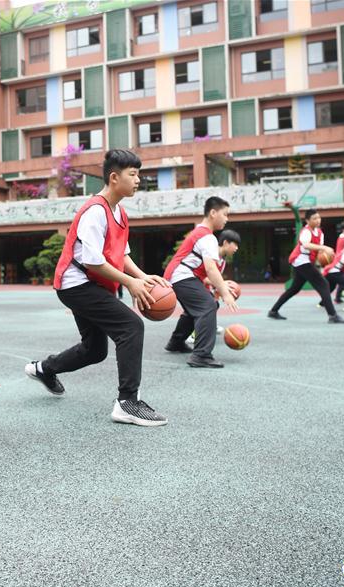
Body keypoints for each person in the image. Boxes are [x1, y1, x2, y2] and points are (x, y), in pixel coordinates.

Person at [25, 149, 170, 427]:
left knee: (95, 350)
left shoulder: (120, 212)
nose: (139, 180)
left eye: (139, 174)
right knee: (131, 327)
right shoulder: (95, 211)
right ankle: (127, 402)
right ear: (114, 178)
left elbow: (121, 254)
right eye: (133, 174)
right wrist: (130, 283)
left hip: (91, 284)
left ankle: (43, 369)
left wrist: (142, 276)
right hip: (76, 284)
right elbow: (92, 262)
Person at [163, 198, 239, 368]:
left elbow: (208, 272)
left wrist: (222, 286)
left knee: (194, 310)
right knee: (208, 305)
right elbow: (211, 269)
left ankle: (176, 343)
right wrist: (226, 294)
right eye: (225, 214)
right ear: (213, 213)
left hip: (179, 275)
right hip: (181, 275)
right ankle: (201, 355)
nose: (227, 219)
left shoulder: (201, 233)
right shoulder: (207, 237)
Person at [268, 208, 344, 324]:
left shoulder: (320, 233)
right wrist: (324, 248)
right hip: (300, 260)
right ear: (307, 220)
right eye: (314, 218)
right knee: (324, 284)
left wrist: (326, 256)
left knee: (294, 289)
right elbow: (306, 245)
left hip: (306, 261)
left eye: (319, 218)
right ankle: (333, 315)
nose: (318, 220)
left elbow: (319, 251)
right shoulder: (305, 231)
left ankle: (273, 311)